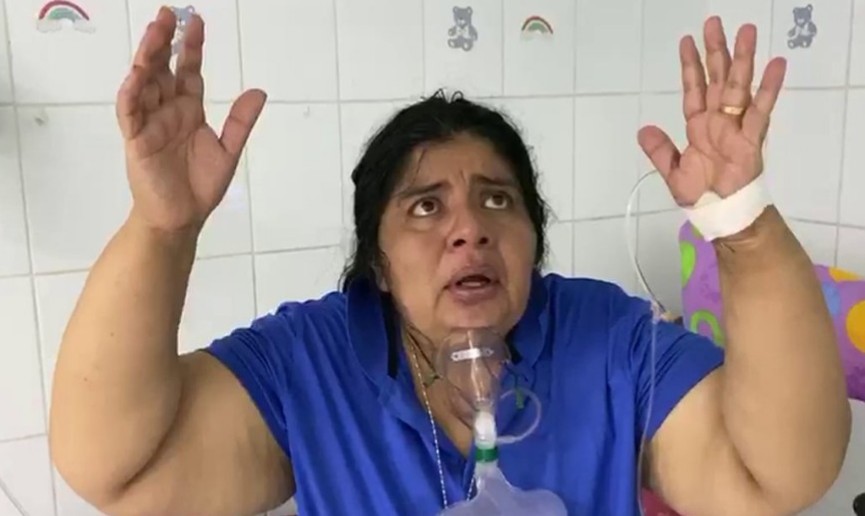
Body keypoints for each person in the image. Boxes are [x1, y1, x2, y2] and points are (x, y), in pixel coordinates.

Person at [47, 6, 851, 516]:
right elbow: (118, 472)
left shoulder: (611, 343)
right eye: (424, 206)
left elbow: (777, 477)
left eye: (498, 199)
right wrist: (163, 229)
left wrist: (738, 224)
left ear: (534, 238)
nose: (469, 228)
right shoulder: (309, 363)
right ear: (377, 260)